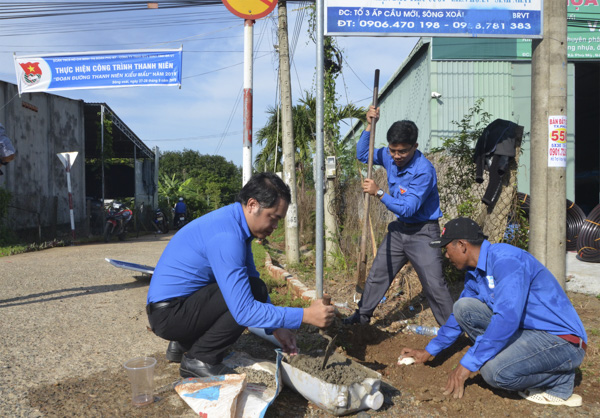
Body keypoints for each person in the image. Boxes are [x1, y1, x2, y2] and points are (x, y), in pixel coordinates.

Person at [147, 172, 335, 378]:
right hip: (169, 315)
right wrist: (305, 315)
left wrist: (276, 327)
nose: (275, 227)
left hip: (174, 309)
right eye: (273, 218)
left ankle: (182, 343)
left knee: (255, 286)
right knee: (250, 294)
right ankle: (200, 358)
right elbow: (244, 311)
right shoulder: (227, 236)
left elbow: (252, 278)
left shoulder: (233, 222)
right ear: (253, 205)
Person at [400, 217, 587, 407]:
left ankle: (560, 381)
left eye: (447, 249)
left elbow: (506, 319)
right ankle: (503, 356)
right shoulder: (474, 273)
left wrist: (467, 365)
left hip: (561, 340)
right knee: (463, 308)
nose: (446, 256)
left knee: (494, 373)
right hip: (529, 331)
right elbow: (459, 318)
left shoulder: (506, 261)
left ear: (462, 245)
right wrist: (429, 350)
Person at [344, 106, 454, 326]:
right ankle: (362, 317)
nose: (396, 156)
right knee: (378, 274)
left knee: (434, 285)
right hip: (399, 230)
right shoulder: (388, 156)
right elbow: (363, 155)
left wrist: (379, 192)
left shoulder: (424, 170)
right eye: (393, 150)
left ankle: (452, 330)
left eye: (402, 151)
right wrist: (369, 124)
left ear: (415, 146)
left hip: (423, 232)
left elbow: (408, 208)